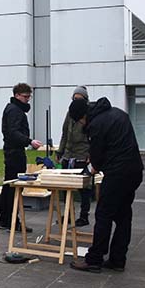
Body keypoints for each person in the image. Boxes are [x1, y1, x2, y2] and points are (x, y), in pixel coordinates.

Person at [67, 97, 144, 273]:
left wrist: (91, 166)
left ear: (83, 116)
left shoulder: (97, 124)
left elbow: (97, 159)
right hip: (135, 171)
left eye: (79, 121)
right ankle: (118, 260)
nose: (81, 123)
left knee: (103, 215)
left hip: (118, 174)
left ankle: (94, 259)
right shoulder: (117, 113)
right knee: (123, 216)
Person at [0, 83, 43, 232]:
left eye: (29, 97)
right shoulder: (15, 111)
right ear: (17, 95)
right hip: (14, 153)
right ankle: (11, 221)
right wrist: (29, 141)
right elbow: (13, 133)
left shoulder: (12, 109)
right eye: (25, 97)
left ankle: (6, 220)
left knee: (9, 186)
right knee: (14, 188)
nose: (27, 100)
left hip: (13, 152)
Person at [55, 86, 92, 227]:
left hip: (82, 154)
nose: (76, 101)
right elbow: (65, 133)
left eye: (79, 98)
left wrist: (91, 154)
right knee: (66, 187)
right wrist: (60, 151)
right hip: (69, 154)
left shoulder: (88, 114)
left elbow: (92, 136)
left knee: (84, 188)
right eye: (74, 98)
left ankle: (84, 216)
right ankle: (68, 214)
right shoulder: (70, 112)